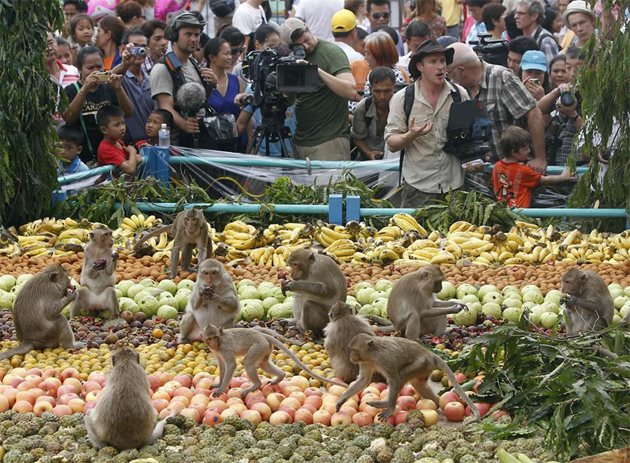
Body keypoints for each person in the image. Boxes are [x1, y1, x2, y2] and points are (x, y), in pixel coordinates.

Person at [385, 40, 469, 207]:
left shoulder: (459, 94)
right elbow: (392, 143)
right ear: (420, 67)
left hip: (454, 186)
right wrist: (411, 135)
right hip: (418, 187)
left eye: (443, 61)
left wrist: (474, 158)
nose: (440, 67)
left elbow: (471, 138)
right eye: (433, 62)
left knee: (457, 233)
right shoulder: (403, 98)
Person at [447, 42, 547, 172]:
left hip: (511, 172)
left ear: (461, 70)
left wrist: (540, 158)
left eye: (450, 73)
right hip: (480, 175)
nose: (450, 78)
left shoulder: (501, 78)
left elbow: (534, 114)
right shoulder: (458, 90)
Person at [279, 18, 360, 160]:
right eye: (300, 45)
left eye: (306, 39)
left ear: (308, 29)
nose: (306, 46)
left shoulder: (331, 52)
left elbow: (351, 91)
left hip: (329, 140)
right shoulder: (294, 59)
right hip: (302, 140)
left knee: (330, 183)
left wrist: (315, 71)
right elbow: (290, 101)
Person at [149, 11, 218, 147]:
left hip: (199, 137)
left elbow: (199, 100)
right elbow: (165, 106)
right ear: (174, 36)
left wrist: (212, 84)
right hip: (177, 143)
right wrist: (184, 124)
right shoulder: (162, 68)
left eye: (197, 35)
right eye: (188, 34)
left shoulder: (193, 63)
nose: (194, 39)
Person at [63, 46, 134, 164]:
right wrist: (84, 90)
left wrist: (118, 89)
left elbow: (128, 112)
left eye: (99, 66)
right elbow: (69, 118)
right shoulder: (71, 90)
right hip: (85, 156)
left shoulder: (108, 87)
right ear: (79, 69)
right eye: (90, 68)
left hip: (111, 153)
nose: (95, 71)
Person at [492, 125, 571, 207]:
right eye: (525, 149)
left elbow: (495, 188)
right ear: (514, 152)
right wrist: (563, 177)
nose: (529, 151)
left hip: (503, 209)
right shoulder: (522, 170)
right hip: (520, 211)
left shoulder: (497, 166)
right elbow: (543, 180)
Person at [116, 28, 156, 143]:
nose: (140, 50)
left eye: (143, 46)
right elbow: (109, 80)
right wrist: (124, 64)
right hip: (129, 146)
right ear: (123, 49)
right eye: (135, 46)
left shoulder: (151, 78)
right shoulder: (120, 77)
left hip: (151, 144)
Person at [204, 37, 242, 151]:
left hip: (235, 143)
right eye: (226, 54)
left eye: (231, 53)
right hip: (210, 145)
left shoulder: (236, 80)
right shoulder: (202, 80)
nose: (230, 57)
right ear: (212, 57)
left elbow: (243, 111)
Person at [352, 66, 396, 160]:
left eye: (387, 91)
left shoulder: (403, 106)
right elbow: (358, 138)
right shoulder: (362, 108)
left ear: (394, 87)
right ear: (371, 89)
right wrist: (369, 152)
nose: (382, 97)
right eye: (377, 91)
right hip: (368, 160)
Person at [96, 105, 142, 175]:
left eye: (123, 123)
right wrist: (133, 152)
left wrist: (134, 158)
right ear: (104, 130)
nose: (122, 128)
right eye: (117, 125)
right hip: (112, 185)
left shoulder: (119, 142)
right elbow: (130, 169)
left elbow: (133, 160)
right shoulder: (105, 149)